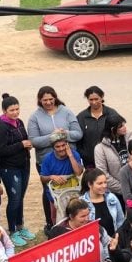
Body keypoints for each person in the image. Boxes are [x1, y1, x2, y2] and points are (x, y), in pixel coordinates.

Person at [27, 86, 83, 232]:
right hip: (46, 160)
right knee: (49, 193)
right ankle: (51, 223)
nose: (48, 102)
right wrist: (53, 137)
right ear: (40, 100)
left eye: (51, 99)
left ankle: (72, 221)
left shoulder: (66, 112)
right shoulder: (35, 117)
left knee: (71, 190)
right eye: (45, 100)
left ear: (55, 97)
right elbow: (33, 140)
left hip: (68, 159)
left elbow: (78, 134)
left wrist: (65, 134)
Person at [0, 94, 34, 245]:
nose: (15, 113)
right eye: (12, 110)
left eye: (17, 109)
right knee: (14, 199)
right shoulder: (0, 126)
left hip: (24, 164)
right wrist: (21, 145)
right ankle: (13, 231)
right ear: (4, 110)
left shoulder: (19, 122)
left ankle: (20, 226)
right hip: (10, 169)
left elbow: (25, 138)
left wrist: (28, 144)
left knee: (20, 198)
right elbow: (1, 150)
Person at [77, 86, 120, 170]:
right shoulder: (81, 117)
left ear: (102, 97)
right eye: (91, 100)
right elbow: (78, 139)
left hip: (110, 161)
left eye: (96, 99)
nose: (94, 102)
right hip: (90, 162)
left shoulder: (112, 114)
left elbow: (119, 134)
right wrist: (84, 154)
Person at [79, 168, 124, 237]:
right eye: (99, 183)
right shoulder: (81, 202)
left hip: (114, 241)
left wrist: (118, 237)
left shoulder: (112, 198)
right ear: (90, 184)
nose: (104, 186)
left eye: (105, 182)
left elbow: (120, 221)